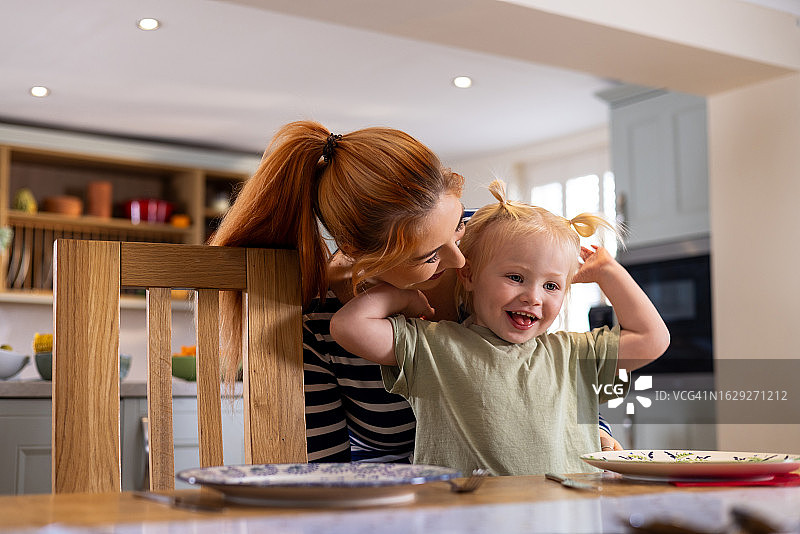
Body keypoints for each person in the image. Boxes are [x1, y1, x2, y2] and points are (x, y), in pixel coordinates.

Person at [210, 121, 621, 463]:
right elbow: (324, 472)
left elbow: (543, 362)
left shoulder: (492, 241)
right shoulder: (316, 323)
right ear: (360, 257)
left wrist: (592, 430)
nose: (461, 261)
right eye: (428, 256)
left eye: (457, 224)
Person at [330, 180, 670, 475]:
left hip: (569, 515)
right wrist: (400, 297)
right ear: (469, 274)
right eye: (516, 277)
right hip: (468, 519)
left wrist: (609, 272)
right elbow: (349, 326)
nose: (533, 297)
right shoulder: (433, 347)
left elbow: (652, 339)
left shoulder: (571, 351)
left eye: (552, 286)